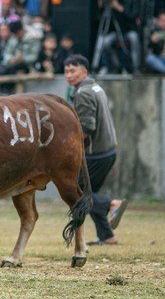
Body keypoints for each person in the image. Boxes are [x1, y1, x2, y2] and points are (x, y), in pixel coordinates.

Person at [64, 54, 128, 246]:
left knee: (79, 192)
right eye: (66, 71)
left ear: (85, 71)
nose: (68, 75)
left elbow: (86, 128)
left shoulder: (83, 93)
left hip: (96, 153)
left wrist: (65, 147)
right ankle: (107, 236)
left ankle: (111, 204)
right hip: (107, 151)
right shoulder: (96, 87)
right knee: (90, 196)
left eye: (73, 70)